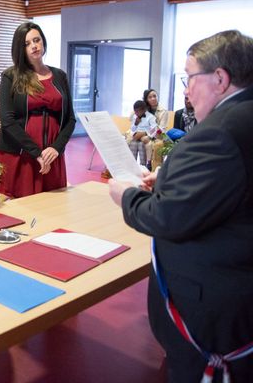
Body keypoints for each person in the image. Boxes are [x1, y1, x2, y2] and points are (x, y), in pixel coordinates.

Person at [109, 30, 253, 383]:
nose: (186, 91)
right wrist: (171, 181)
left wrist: (126, 195)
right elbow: (233, 186)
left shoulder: (216, 133)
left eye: (190, 78)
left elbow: (167, 218)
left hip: (214, 307)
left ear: (220, 78)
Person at [0, 22, 75, 198]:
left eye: (36, 40)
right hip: (20, 155)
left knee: (54, 208)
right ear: (19, 49)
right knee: (18, 212)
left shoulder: (60, 76)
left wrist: (56, 148)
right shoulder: (10, 76)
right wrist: (37, 153)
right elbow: (8, 121)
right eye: (27, 43)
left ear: (43, 42)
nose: (34, 46)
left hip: (52, 157)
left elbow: (70, 119)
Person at [126, 99, 158, 166]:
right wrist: (135, 123)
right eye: (135, 111)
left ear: (144, 110)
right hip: (136, 137)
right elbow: (132, 129)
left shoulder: (150, 117)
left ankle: (143, 166)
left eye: (138, 111)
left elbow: (154, 129)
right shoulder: (135, 117)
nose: (136, 113)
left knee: (141, 145)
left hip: (145, 138)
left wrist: (145, 133)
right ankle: (132, 166)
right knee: (133, 144)